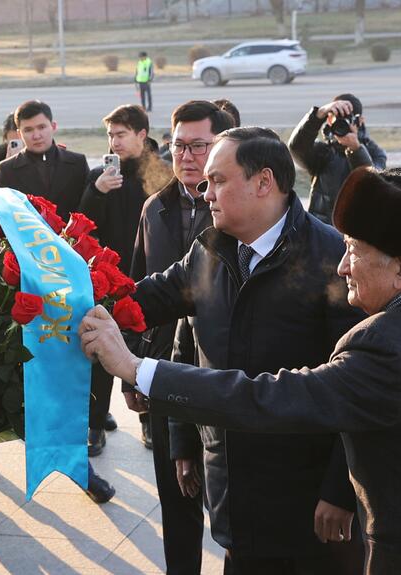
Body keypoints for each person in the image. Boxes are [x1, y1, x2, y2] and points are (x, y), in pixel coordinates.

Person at [81, 166, 401, 575]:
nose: (342, 266)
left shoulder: (387, 347)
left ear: (400, 269)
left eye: (353, 250)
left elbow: (264, 398)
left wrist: (135, 367)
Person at [119, 127, 365, 574]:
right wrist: (73, 295)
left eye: (217, 180)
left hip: (306, 503)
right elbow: (174, 335)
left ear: (264, 182)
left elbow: (355, 390)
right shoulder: (208, 251)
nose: (204, 191)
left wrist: (340, 491)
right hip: (232, 493)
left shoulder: (333, 259)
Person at [127, 100, 235, 575]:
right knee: (176, 498)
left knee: (231, 506)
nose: (186, 156)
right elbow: (137, 290)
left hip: (220, 371)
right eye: (178, 146)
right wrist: (130, 371)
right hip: (164, 369)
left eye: (198, 146)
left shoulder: (237, 211)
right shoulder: (155, 208)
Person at [78, 104, 171, 458]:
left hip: (149, 274)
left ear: (141, 135)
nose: (114, 142)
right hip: (107, 277)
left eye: (121, 134)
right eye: (110, 135)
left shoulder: (161, 171)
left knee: (145, 349)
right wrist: (97, 191)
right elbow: (84, 224)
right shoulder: (100, 174)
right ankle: (95, 422)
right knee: (100, 347)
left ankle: (148, 418)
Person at [288, 94, 386, 225]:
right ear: (329, 120)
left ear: (360, 121)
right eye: (338, 119)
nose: (342, 123)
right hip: (323, 229)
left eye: (347, 119)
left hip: (359, 228)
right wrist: (318, 114)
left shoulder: (374, 152)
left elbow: (372, 182)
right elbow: (296, 147)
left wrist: (356, 149)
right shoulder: (323, 152)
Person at [0, 100, 89, 222]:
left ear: (53, 126)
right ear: (19, 134)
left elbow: (88, 209)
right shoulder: (6, 170)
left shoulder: (77, 163)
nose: (36, 136)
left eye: (42, 127)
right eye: (28, 130)